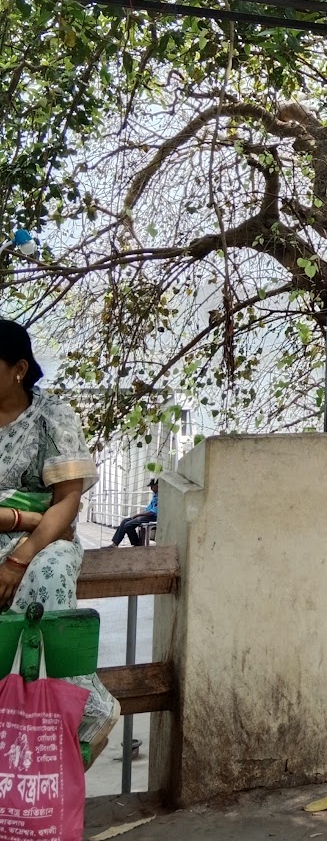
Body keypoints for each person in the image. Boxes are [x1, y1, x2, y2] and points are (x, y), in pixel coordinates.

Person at [0, 318, 121, 758]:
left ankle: (87, 704)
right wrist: (22, 514)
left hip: (46, 542)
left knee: (46, 579)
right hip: (30, 526)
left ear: (18, 368)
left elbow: (65, 504)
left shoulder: (52, 416)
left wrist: (20, 556)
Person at [112, 479, 158, 547]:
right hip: (148, 515)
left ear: (157, 486)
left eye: (152, 487)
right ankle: (115, 543)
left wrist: (139, 514)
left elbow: (153, 512)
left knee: (128, 525)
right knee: (124, 521)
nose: (151, 489)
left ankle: (137, 544)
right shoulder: (155, 496)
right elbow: (148, 509)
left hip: (153, 517)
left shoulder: (159, 497)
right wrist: (140, 514)